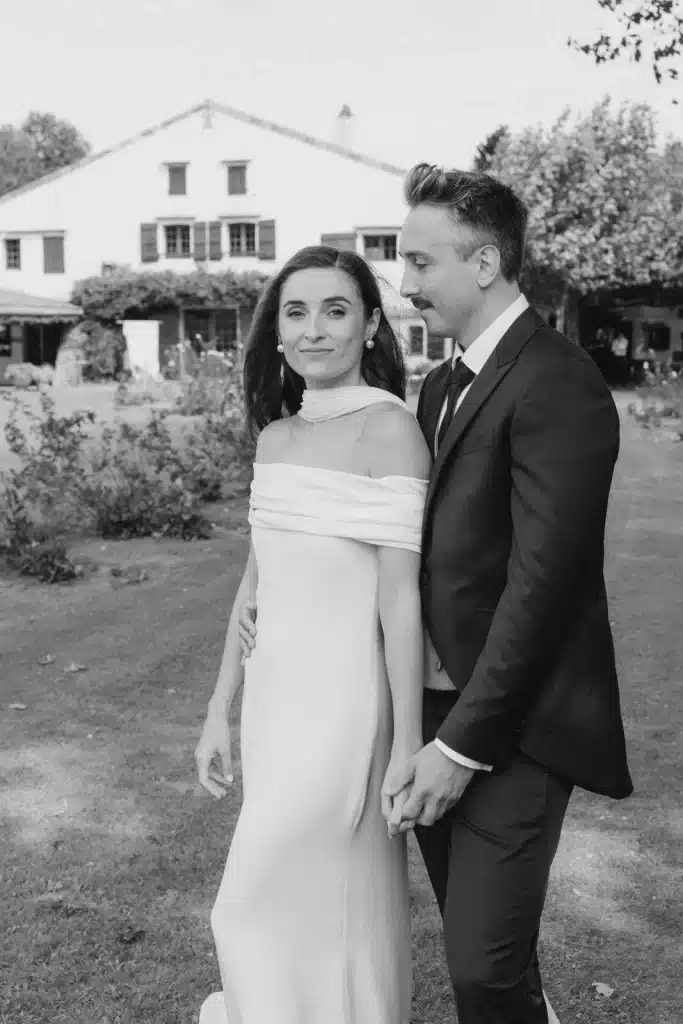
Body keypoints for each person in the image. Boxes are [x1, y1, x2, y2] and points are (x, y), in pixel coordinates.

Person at [240, 165, 633, 1024]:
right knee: (489, 955)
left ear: (484, 262)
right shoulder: (444, 383)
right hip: (431, 714)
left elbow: (543, 585)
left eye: (419, 262)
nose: (406, 281)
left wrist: (456, 750)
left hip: (515, 730)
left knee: (482, 970)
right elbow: (418, 556)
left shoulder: (556, 382)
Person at [194, 244, 431, 1024]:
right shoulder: (275, 440)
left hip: (345, 707)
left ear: (369, 327)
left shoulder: (390, 432)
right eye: (296, 311)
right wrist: (219, 706)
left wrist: (405, 744)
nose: (314, 329)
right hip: (275, 700)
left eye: (336, 310)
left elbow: (401, 602)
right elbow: (256, 581)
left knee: (251, 896)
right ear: (276, 331)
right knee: (309, 900)